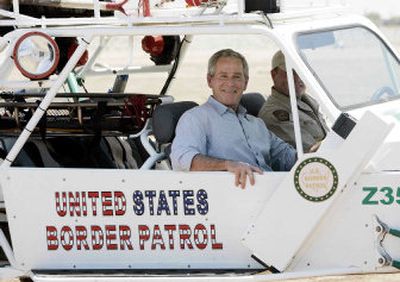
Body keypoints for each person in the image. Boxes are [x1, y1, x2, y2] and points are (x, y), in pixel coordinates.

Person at [171, 49, 296, 189]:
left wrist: (316, 151)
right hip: (232, 198)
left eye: (237, 77)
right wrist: (228, 165)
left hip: (272, 192)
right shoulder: (196, 118)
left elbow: (287, 157)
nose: (230, 83)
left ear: (246, 82)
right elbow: (182, 158)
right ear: (210, 80)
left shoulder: (256, 123)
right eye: (223, 76)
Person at [258, 50, 329, 152]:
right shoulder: (273, 114)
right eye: (291, 72)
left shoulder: (307, 101)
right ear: (274, 75)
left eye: (302, 71)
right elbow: (311, 151)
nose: (298, 78)